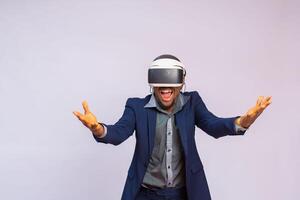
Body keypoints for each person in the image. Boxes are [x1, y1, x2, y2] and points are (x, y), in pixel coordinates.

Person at [73, 54, 272, 200]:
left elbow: (214, 126)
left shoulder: (192, 103)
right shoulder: (137, 107)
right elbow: (117, 133)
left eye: (171, 81)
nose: (165, 87)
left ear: (181, 82)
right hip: (146, 193)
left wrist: (243, 121)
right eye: (160, 81)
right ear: (152, 83)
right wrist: (97, 128)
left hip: (184, 193)